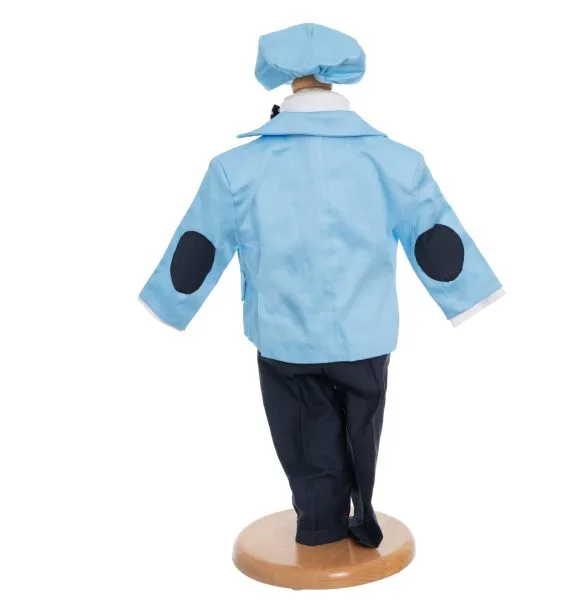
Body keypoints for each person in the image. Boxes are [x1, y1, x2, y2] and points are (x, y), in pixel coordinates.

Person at [140, 23, 504, 548]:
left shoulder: (236, 169)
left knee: (304, 439)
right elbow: (436, 239)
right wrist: (468, 296)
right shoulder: (396, 161)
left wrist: (168, 304)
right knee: (363, 430)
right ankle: (363, 513)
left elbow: (198, 246)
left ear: (282, 79)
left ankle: (320, 526)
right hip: (367, 333)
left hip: (283, 336)